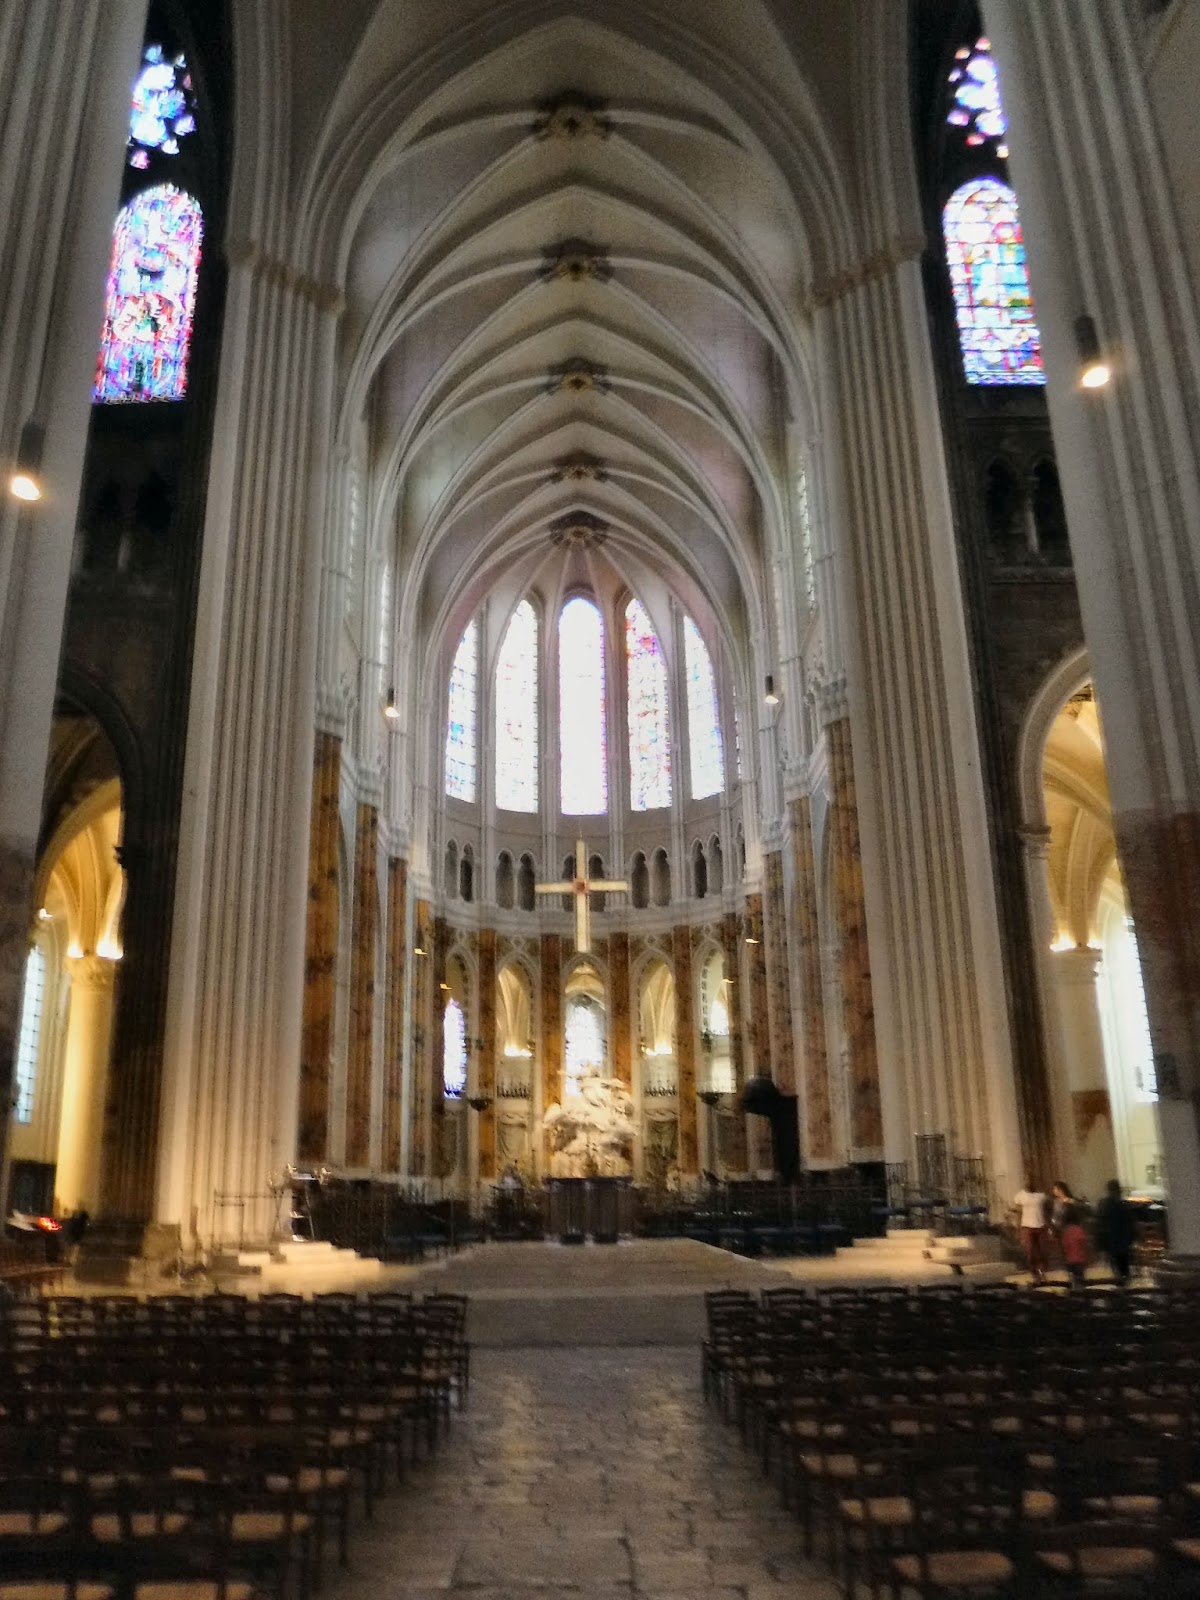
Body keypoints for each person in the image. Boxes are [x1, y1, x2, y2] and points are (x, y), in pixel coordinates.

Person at [1094, 1178, 1137, 1286]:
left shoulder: (1103, 1205)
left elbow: (1100, 1225)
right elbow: (1131, 1224)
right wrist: (1132, 1239)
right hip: (1123, 1242)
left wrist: (1100, 1245)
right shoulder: (1124, 1205)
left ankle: (1119, 1289)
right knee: (1124, 1269)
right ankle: (1125, 1288)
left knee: (1115, 1269)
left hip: (1111, 1242)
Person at [1012, 1179, 1049, 1285]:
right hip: (1027, 1226)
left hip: (1041, 1225)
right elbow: (1018, 1212)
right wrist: (1018, 1228)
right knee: (1030, 1251)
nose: (1029, 1183)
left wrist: (1048, 1224)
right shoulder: (1020, 1196)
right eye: (1027, 1181)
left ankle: (1042, 1270)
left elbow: (1046, 1210)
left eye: (1031, 1181)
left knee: (1043, 1250)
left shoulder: (1041, 1196)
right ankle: (1034, 1273)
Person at [1060, 1201, 1089, 1290]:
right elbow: (1084, 1244)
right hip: (1080, 1259)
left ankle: (1075, 1294)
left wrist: (1064, 1259)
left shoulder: (1066, 1231)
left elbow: (1064, 1247)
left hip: (1070, 1260)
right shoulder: (1079, 1230)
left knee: (1073, 1280)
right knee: (1081, 1280)